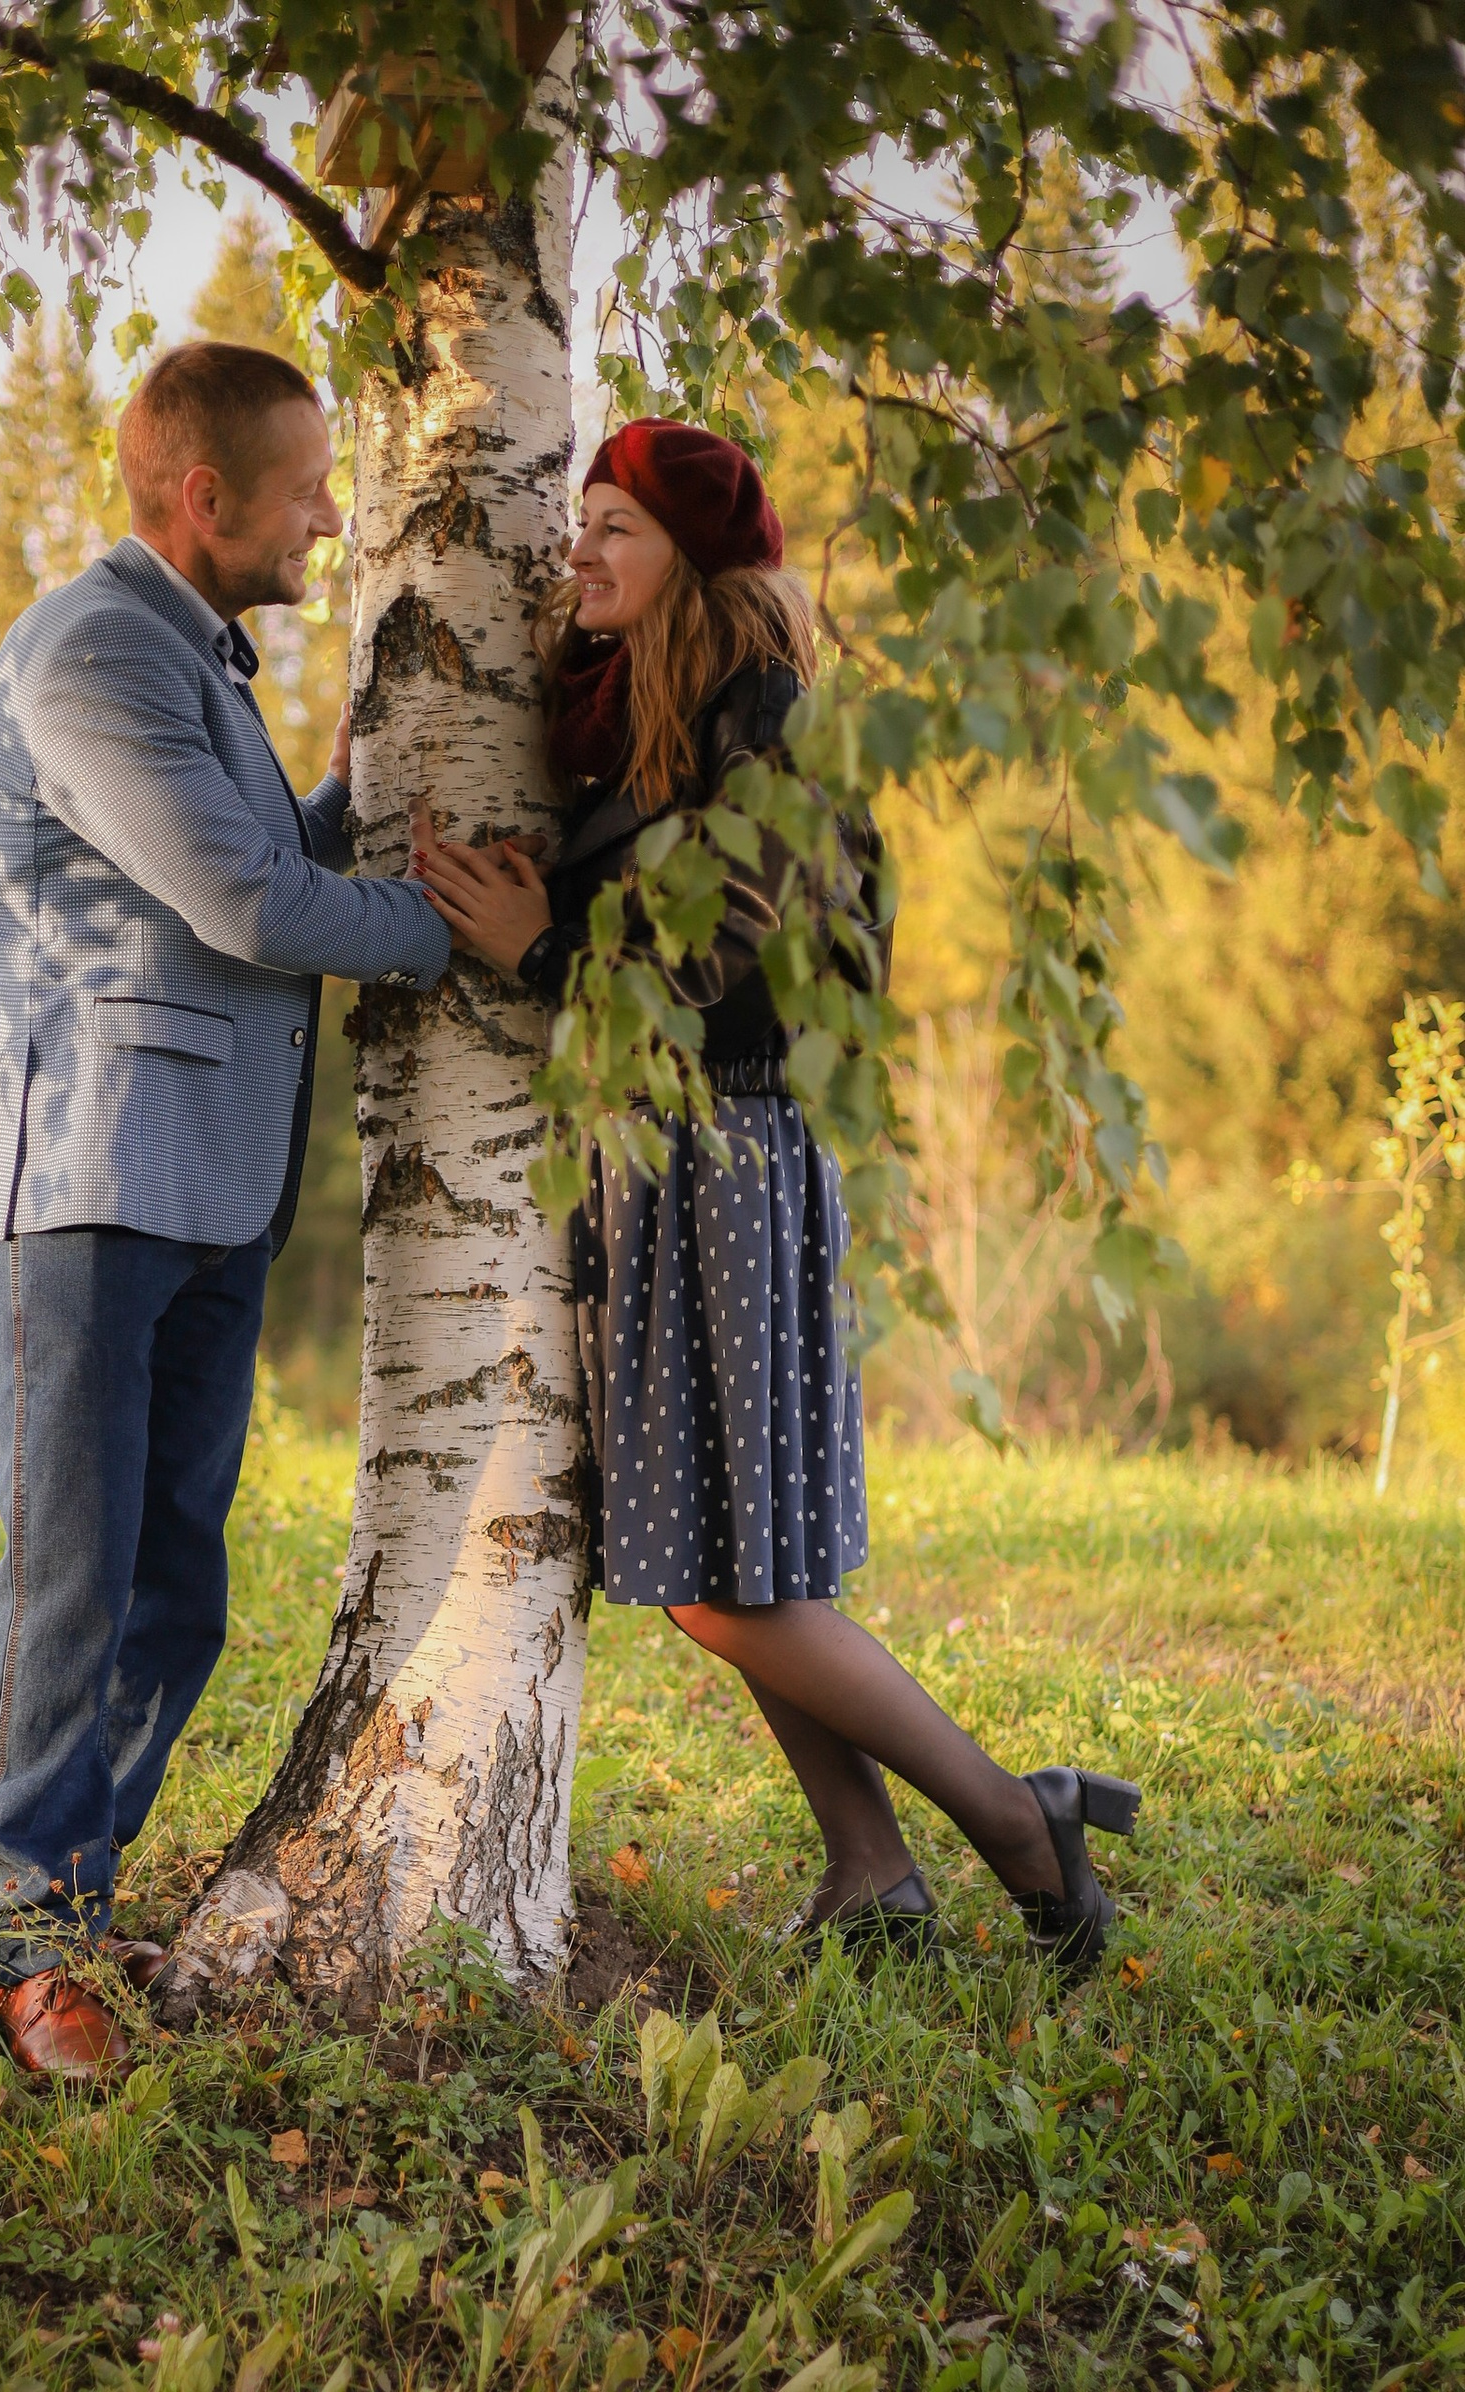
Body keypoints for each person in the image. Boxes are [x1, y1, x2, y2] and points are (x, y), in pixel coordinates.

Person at [412, 420, 1139, 1968]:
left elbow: (737, 969)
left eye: (616, 526)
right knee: (740, 1561)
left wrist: (545, 954)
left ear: (694, 556)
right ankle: (870, 1871)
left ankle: (1019, 1821)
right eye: (580, 522)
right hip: (665, 1154)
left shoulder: (767, 715)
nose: (581, 549)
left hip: (720, 1150)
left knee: (714, 1587)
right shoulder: (651, 706)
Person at [0, 341, 450, 2079]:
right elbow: (244, 904)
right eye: (307, 490)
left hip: (209, 1190)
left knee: (177, 1588)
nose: (331, 518)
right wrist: (461, 930)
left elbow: (248, 859)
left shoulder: (196, 660)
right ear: (203, 493)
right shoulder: (91, 651)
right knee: (73, 1581)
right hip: (82, 1188)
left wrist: (366, 795)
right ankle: (26, 1934)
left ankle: (76, 1891)